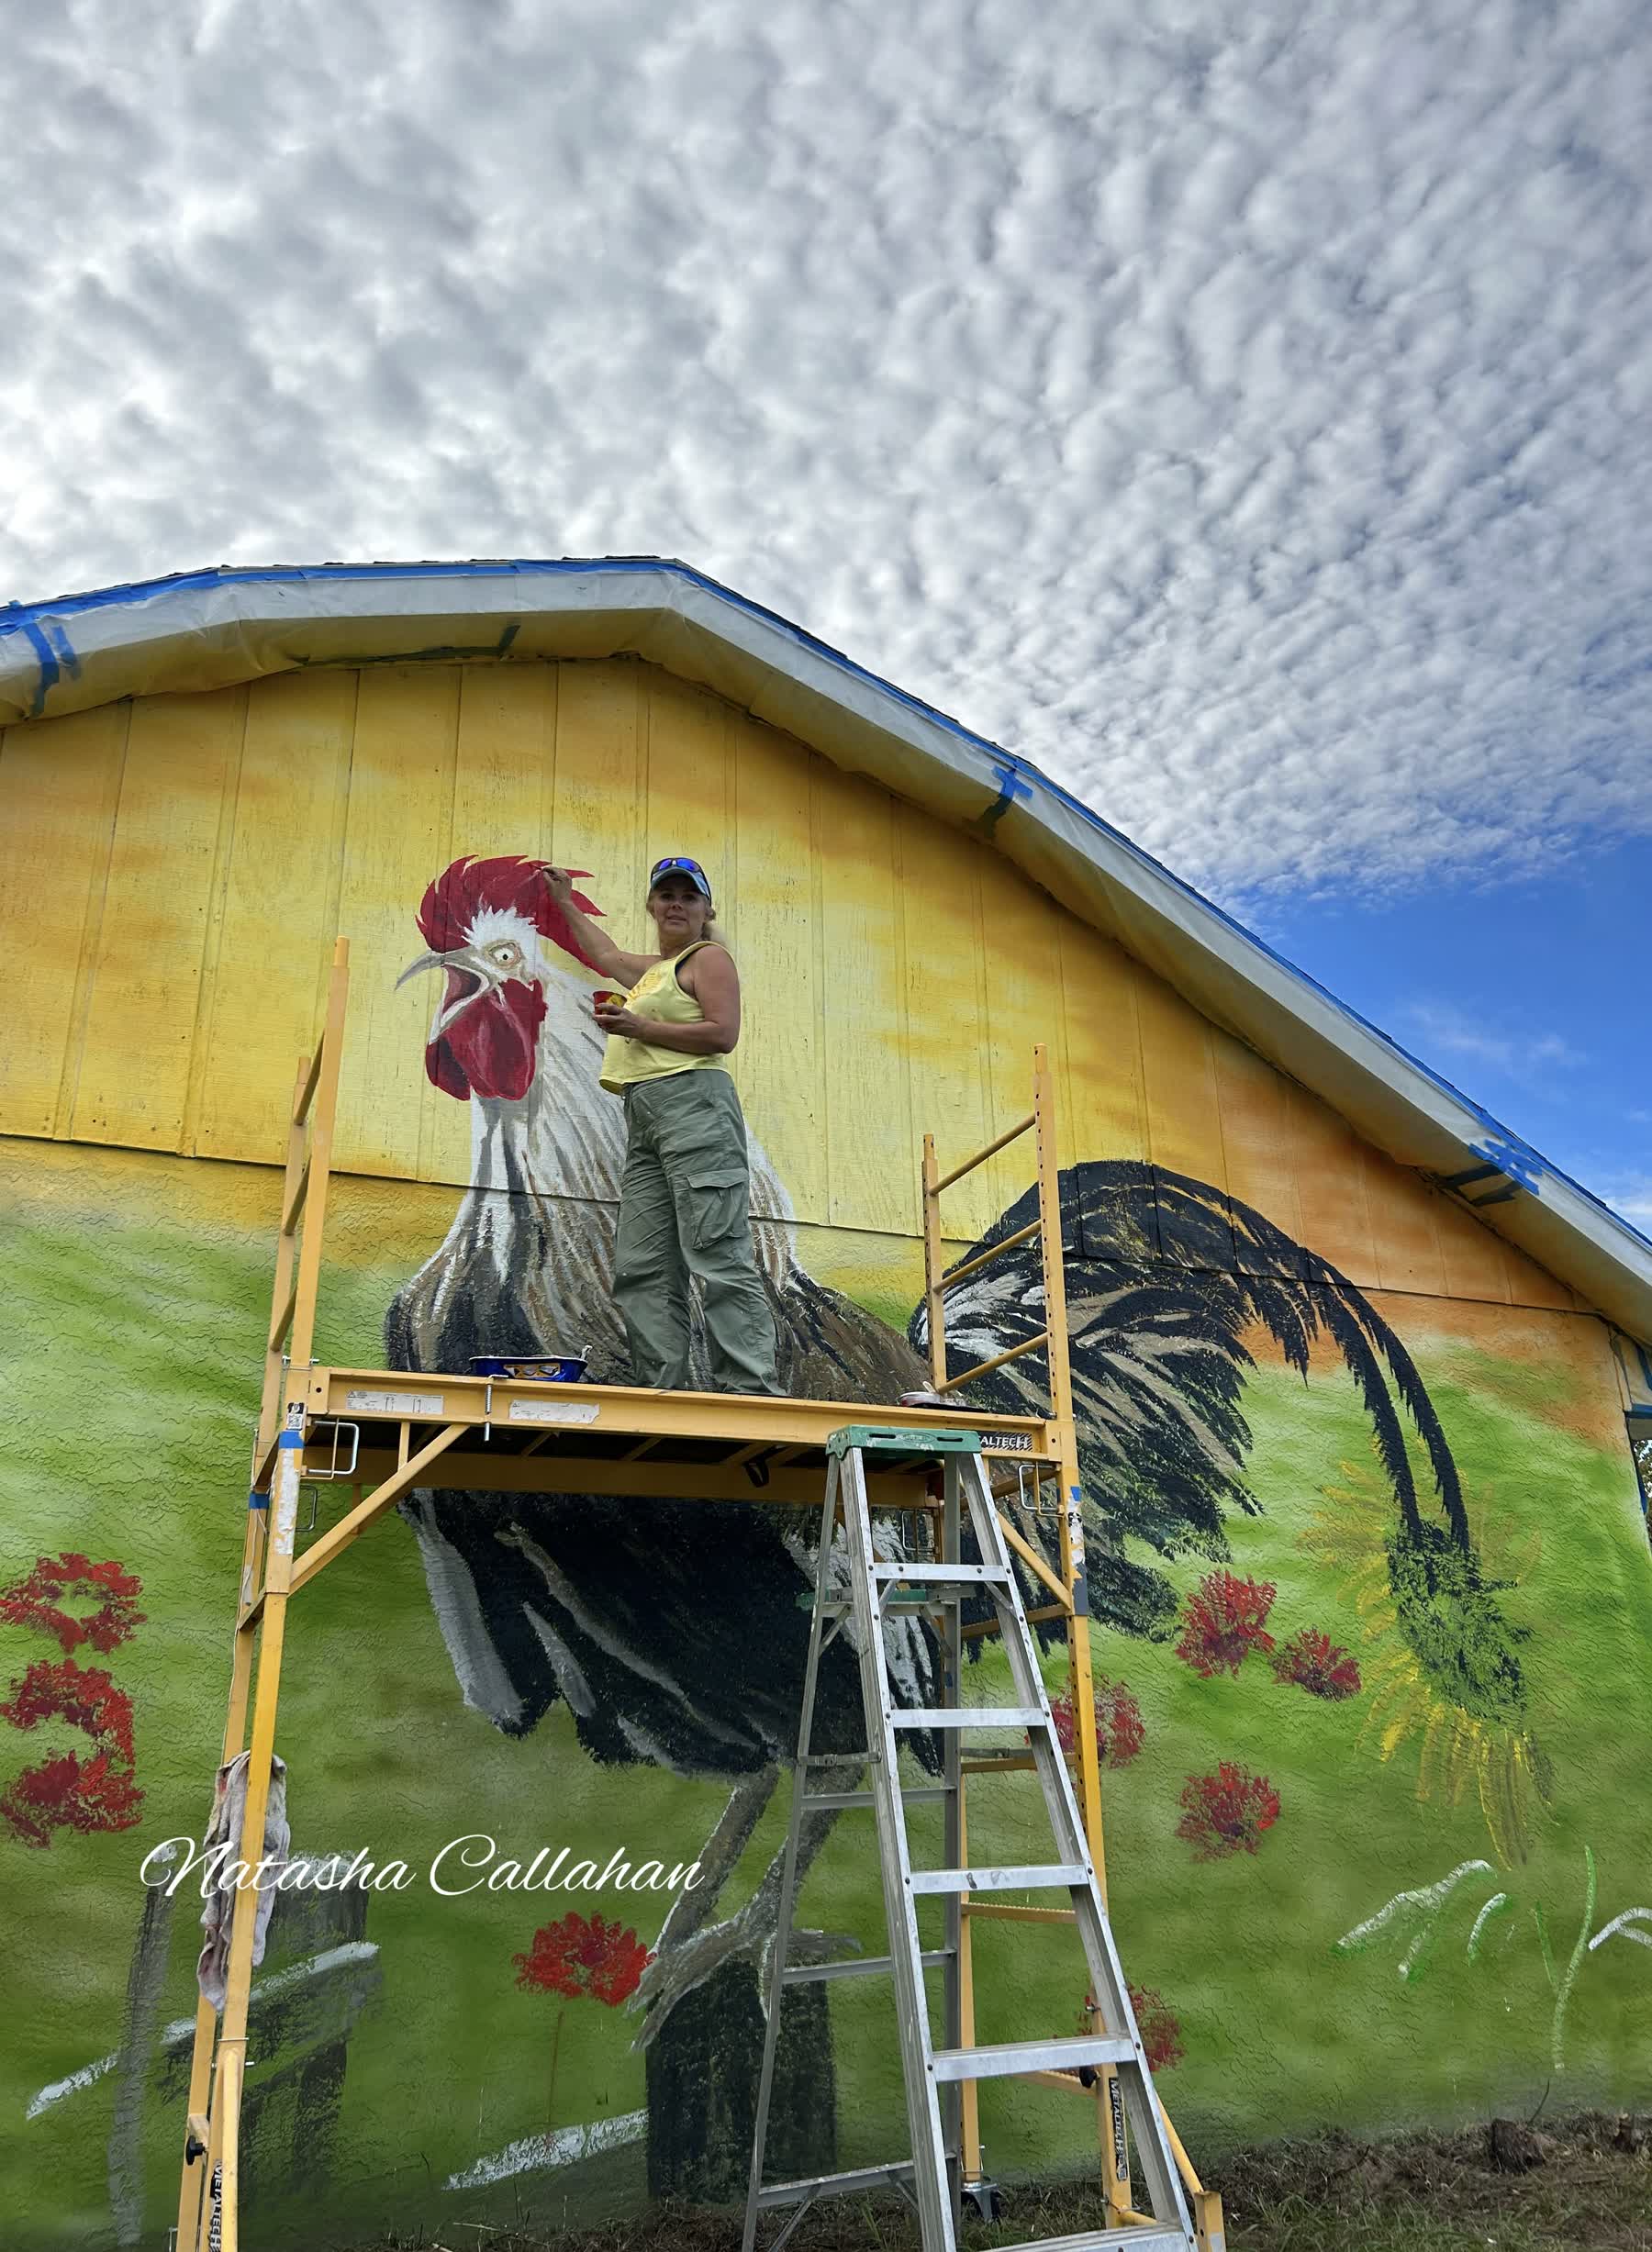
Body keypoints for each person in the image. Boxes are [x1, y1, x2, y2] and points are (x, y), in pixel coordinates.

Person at [543, 856, 782, 1397]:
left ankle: (750, 1390)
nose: (676, 903)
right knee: (641, 1263)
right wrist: (562, 901)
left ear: (705, 911)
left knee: (716, 1249)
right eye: (666, 895)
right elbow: (602, 954)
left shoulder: (709, 958)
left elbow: (723, 1034)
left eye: (688, 896)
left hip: (695, 1106)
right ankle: (662, 1391)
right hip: (645, 1117)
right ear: (652, 905)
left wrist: (637, 1025)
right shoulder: (653, 972)